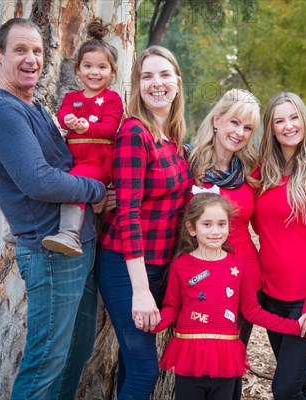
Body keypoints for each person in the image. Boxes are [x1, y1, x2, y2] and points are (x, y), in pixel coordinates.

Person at [0, 18, 107, 399]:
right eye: (20, 50)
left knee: (73, 356)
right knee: (46, 362)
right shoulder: (3, 111)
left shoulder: (34, 106)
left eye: (37, 51)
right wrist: (95, 189)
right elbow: (39, 180)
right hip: (50, 253)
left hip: (78, 249)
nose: (31, 58)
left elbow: (64, 166)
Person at [137, 192, 306, 400]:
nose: (215, 231)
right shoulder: (181, 266)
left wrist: (294, 326)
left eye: (222, 224)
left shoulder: (237, 266)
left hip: (225, 358)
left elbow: (253, 312)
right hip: (190, 356)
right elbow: (172, 308)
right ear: (192, 229)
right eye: (207, 224)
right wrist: (154, 323)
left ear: (230, 226)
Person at [95, 45, 193, 399]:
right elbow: (128, 214)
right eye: (147, 76)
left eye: (165, 75)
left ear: (178, 83)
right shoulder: (134, 133)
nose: (157, 83)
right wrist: (140, 291)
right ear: (137, 86)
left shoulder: (175, 141)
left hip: (158, 266)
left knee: (131, 364)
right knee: (145, 371)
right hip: (125, 265)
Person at [252, 92, 306, 400]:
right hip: (271, 296)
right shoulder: (261, 173)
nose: (288, 126)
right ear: (271, 128)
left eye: (294, 117)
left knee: (284, 388)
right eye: (280, 120)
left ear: (304, 121)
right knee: (299, 384)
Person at [184, 88, 262, 400]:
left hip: (243, 278)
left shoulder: (251, 171)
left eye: (248, 128)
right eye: (234, 123)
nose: (240, 133)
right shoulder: (188, 161)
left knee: (231, 365)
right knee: (198, 366)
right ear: (217, 120)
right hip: (198, 279)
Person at [42, 18, 123, 256]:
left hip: (98, 161)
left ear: (112, 71)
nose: (94, 72)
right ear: (78, 69)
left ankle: (69, 234)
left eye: (102, 67)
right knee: (48, 178)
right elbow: (64, 112)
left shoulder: (112, 99)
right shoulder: (72, 97)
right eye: (88, 66)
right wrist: (68, 120)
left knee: (74, 182)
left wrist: (85, 127)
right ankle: (38, 229)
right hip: (73, 157)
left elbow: (109, 129)